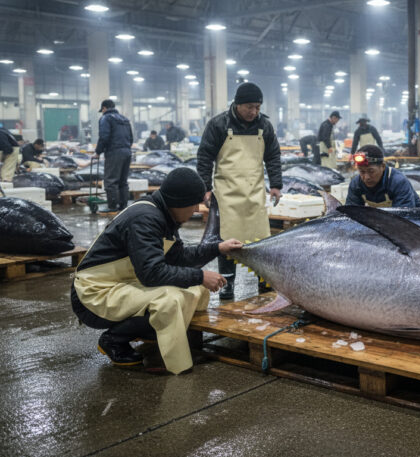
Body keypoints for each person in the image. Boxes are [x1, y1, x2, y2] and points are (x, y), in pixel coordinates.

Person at [71, 168, 242, 374]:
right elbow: (152, 274)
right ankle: (113, 340)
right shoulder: (145, 218)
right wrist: (201, 275)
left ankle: (160, 334)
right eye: (193, 204)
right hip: (94, 292)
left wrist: (217, 248)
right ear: (178, 203)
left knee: (196, 291)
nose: (196, 209)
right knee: (168, 300)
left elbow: (178, 257)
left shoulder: (164, 215)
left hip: (123, 283)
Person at [197, 82, 282, 300]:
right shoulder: (218, 124)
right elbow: (205, 156)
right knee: (227, 241)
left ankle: (265, 283)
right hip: (227, 192)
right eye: (250, 107)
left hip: (254, 192)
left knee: (261, 241)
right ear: (237, 104)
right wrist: (205, 188)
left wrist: (276, 185)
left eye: (258, 107)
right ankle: (227, 283)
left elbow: (272, 156)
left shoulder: (264, 126)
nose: (254, 112)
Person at [345, 145, 420, 208]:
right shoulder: (356, 184)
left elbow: (404, 216)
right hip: (380, 217)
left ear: (383, 166)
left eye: (371, 171)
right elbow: (352, 213)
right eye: (362, 172)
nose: (366, 177)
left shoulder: (398, 182)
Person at [96, 99, 134, 213]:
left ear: (104, 108)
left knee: (111, 181)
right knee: (123, 181)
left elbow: (104, 137)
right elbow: (131, 138)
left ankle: (112, 206)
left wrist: (98, 152)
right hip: (127, 152)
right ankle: (123, 205)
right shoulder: (125, 119)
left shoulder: (105, 118)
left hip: (114, 152)